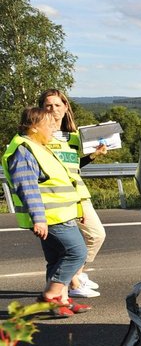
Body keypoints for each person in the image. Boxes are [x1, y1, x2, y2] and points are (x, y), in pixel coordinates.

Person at [1, 108, 91, 317]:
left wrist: (77, 208)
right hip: (52, 217)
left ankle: (62, 302)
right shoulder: (24, 150)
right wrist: (39, 219)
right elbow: (27, 188)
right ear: (33, 127)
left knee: (57, 258)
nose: (53, 128)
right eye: (49, 125)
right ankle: (50, 295)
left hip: (61, 213)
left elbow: (58, 183)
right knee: (77, 253)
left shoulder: (38, 146)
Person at [38, 89, 106, 298]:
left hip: (78, 194)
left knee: (96, 235)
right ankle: (71, 284)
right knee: (65, 247)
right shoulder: (39, 137)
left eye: (58, 105)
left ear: (66, 107)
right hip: (54, 197)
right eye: (48, 105)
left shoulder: (74, 137)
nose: (53, 109)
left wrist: (93, 156)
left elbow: (72, 166)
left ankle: (75, 276)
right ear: (41, 109)